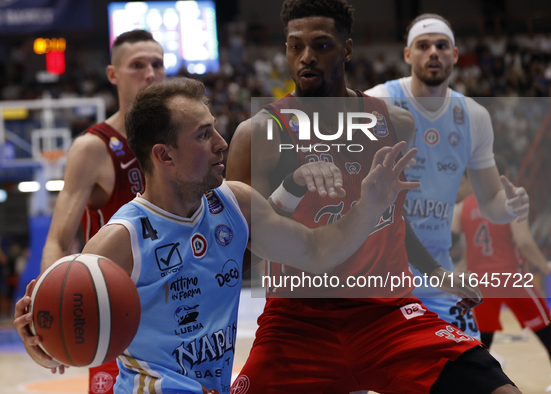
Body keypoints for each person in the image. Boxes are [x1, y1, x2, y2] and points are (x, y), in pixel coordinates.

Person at [15, 77, 420, 394]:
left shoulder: (235, 204)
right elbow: (60, 336)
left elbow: (316, 250)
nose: (222, 144)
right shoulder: (119, 241)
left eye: (216, 131)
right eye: (204, 135)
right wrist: (40, 338)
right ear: (164, 155)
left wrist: (369, 204)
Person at [226, 0, 521, 392]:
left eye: (322, 45)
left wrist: (435, 273)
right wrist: (292, 187)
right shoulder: (258, 134)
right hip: (297, 322)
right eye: (295, 46)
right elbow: (243, 248)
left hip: (387, 315)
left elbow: (393, 218)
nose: (306, 57)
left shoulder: (397, 124)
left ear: (347, 49)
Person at [365, 13, 529, 340]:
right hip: (378, 275)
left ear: (455, 55)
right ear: (408, 55)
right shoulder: (377, 102)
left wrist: (509, 207)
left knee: (473, 372)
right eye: (423, 46)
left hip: (439, 277)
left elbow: (491, 203)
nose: (433, 52)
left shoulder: (475, 116)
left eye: (442, 45)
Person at [34, 29, 166, 394]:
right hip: (112, 317)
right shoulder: (93, 147)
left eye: (157, 64)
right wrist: (50, 310)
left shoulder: (178, 141)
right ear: (113, 75)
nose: (150, 74)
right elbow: (58, 241)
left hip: (172, 312)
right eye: (137, 65)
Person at [452, 155, 551, 385]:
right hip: (510, 277)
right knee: (546, 330)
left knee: (483, 343)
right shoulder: (513, 197)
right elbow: (524, 242)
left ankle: (480, 386)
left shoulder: (462, 208)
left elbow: (467, 248)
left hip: (480, 284)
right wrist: (544, 266)